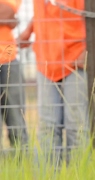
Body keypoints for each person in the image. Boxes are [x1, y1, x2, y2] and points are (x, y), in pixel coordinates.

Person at [17, 0, 95, 165]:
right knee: (48, 126)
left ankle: (80, 172)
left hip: (78, 59)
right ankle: (46, 174)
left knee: (76, 124)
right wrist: (28, 30)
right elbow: (48, 9)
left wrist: (88, 53)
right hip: (46, 61)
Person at [0, 0, 28, 150]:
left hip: (7, 58)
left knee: (16, 120)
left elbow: (7, 11)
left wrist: (9, 18)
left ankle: (22, 165)